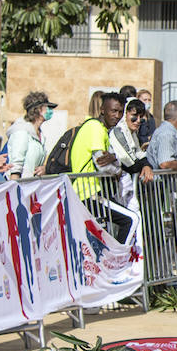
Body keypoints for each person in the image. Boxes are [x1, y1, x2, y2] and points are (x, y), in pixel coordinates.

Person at [68, 91, 134, 242]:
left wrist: (115, 160)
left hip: (95, 193)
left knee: (99, 240)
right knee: (130, 220)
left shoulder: (103, 130)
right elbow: (102, 164)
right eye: (113, 111)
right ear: (103, 110)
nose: (117, 116)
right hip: (88, 193)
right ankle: (118, 263)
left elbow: (111, 159)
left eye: (120, 112)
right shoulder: (95, 127)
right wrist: (117, 170)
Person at [5, 91, 56, 180]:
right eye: (48, 107)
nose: (50, 111)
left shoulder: (40, 135)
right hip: (21, 186)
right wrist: (14, 190)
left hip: (32, 186)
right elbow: (16, 166)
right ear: (38, 109)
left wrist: (44, 169)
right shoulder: (21, 131)